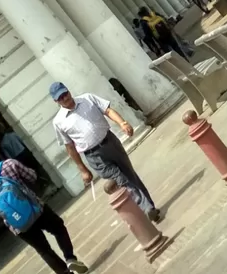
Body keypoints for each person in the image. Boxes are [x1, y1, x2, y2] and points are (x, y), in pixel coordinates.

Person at [49, 82, 161, 222]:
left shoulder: (87, 98)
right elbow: (70, 147)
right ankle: (146, 208)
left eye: (65, 94)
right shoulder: (59, 122)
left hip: (111, 143)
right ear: (56, 101)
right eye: (60, 98)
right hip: (94, 156)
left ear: (68, 91)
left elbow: (108, 110)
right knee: (121, 180)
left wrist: (123, 123)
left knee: (129, 174)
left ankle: (149, 207)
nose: (65, 98)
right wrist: (83, 169)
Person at [0, 147, 87, 274]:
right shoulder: (9, 164)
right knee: (58, 227)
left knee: (44, 250)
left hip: (18, 224)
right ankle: (70, 258)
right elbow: (32, 176)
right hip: (35, 208)